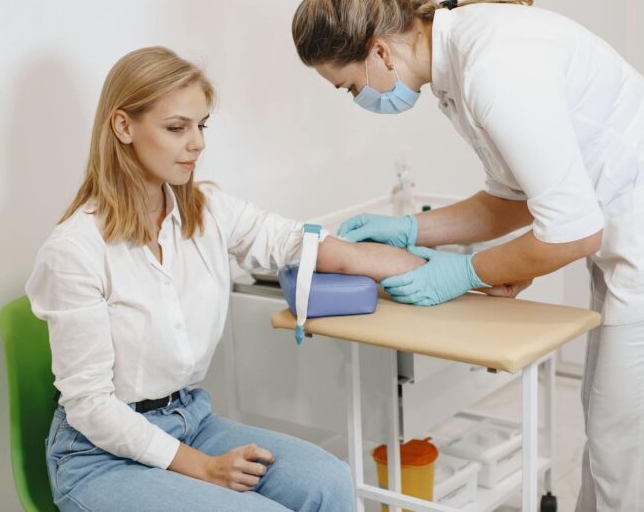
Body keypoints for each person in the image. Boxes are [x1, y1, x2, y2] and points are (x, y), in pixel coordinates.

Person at [291, 0, 644, 511]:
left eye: (350, 86)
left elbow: (572, 231)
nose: (359, 98)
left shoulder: (495, 66)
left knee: (629, 451)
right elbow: (514, 198)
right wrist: (409, 230)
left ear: (378, 51)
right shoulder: (461, 57)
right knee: (608, 425)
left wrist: (464, 272)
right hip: (636, 233)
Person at [25, 46, 432, 511]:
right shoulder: (75, 251)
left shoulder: (207, 210)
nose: (197, 143)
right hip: (98, 458)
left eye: (201, 126)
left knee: (329, 481)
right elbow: (90, 407)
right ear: (123, 126)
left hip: (190, 420)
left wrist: (436, 271)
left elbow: (292, 241)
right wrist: (203, 467)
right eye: (177, 128)